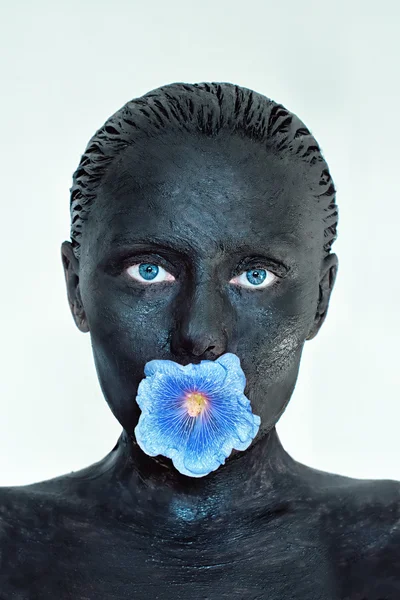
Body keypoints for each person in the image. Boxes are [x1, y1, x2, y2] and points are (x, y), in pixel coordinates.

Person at [0, 82, 399, 599]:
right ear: (77, 287)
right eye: (150, 271)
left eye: (254, 277)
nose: (200, 334)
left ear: (319, 299)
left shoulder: (387, 540)